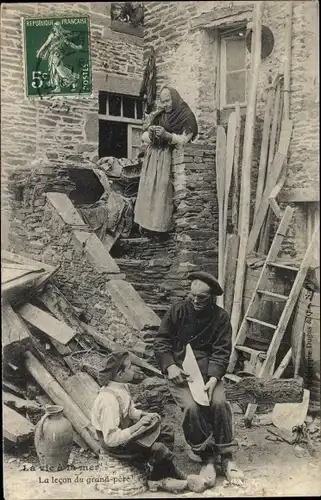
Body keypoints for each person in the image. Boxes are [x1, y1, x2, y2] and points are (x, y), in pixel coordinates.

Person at [153, 271, 244, 488]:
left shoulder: (221, 318)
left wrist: (214, 378)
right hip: (181, 372)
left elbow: (222, 351)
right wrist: (170, 366)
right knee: (191, 408)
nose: (195, 300)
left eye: (201, 298)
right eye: (192, 295)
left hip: (208, 372)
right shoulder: (177, 311)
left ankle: (227, 457)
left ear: (212, 297)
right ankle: (207, 458)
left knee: (220, 403)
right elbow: (161, 341)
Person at [91, 351, 186, 483]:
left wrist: (143, 415)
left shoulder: (122, 387)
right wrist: (138, 425)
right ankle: (159, 477)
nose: (133, 370)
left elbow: (129, 411)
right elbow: (111, 439)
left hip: (125, 431)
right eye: (130, 368)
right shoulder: (108, 401)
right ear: (120, 374)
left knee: (166, 431)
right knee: (159, 448)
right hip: (116, 445)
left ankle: (162, 471)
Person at [134, 86, 198, 237]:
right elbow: (143, 136)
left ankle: (160, 229)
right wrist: (150, 135)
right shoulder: (159, 115)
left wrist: (167, 135)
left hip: (167, 157)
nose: (165, 105)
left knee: (163, 191)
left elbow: (184, 139)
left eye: (168, 101)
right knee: (148, 189)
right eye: (163, 102)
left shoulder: (185, 114)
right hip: (153, 158)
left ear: (174, 99)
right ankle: (146, 227)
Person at [36, 21, 82, 93]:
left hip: (57, 56)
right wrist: (39, 52)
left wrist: (77, 47)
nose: (53, 28)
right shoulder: (52, 35)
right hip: (52, 55)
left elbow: (69, 44)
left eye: (55, 27)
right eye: (53, 27)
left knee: (60, 71)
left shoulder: (62, 36)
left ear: (57, 28)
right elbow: (46, 44)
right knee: (55, 71)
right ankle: (58, 87)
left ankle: (73, 80)